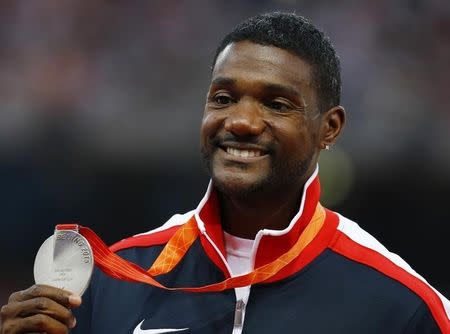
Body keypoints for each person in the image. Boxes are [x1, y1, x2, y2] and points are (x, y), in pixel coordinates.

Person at [1, 12, 449, 334]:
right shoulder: (114, 282)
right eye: (223, 98)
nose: (241, 121)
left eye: (276, 104)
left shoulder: (403, 306)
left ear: (328, 129)